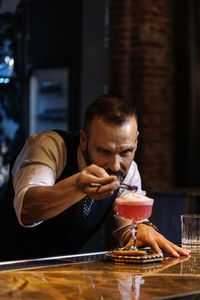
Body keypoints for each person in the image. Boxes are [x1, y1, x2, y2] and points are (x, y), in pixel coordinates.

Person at [0, 95, 190, 260]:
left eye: (125, 151)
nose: (115, 165)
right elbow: (27, 209)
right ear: (84, 140)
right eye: (103, 151)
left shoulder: (129, 171)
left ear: (136, 142)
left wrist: (141, 230)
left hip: (56, 274)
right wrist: (77, 186)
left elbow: (127, 224)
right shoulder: (51, 147)